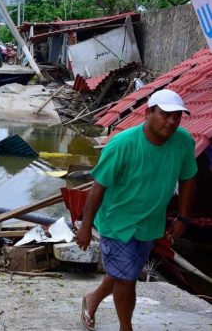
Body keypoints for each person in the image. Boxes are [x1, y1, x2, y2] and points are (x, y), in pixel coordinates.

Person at [76, 89, 197, 331]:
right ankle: (126, 327)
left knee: (124, 269)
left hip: (151, 223)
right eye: (166, 115)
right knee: (127, 278)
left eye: (177, 116)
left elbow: (188, 178)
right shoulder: (122, 145)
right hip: (117, 222)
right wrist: (86, 226)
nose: (172, 121)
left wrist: (183, 216)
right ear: (148, 113)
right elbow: (98, 187)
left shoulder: (184, 142)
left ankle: (93, 298)